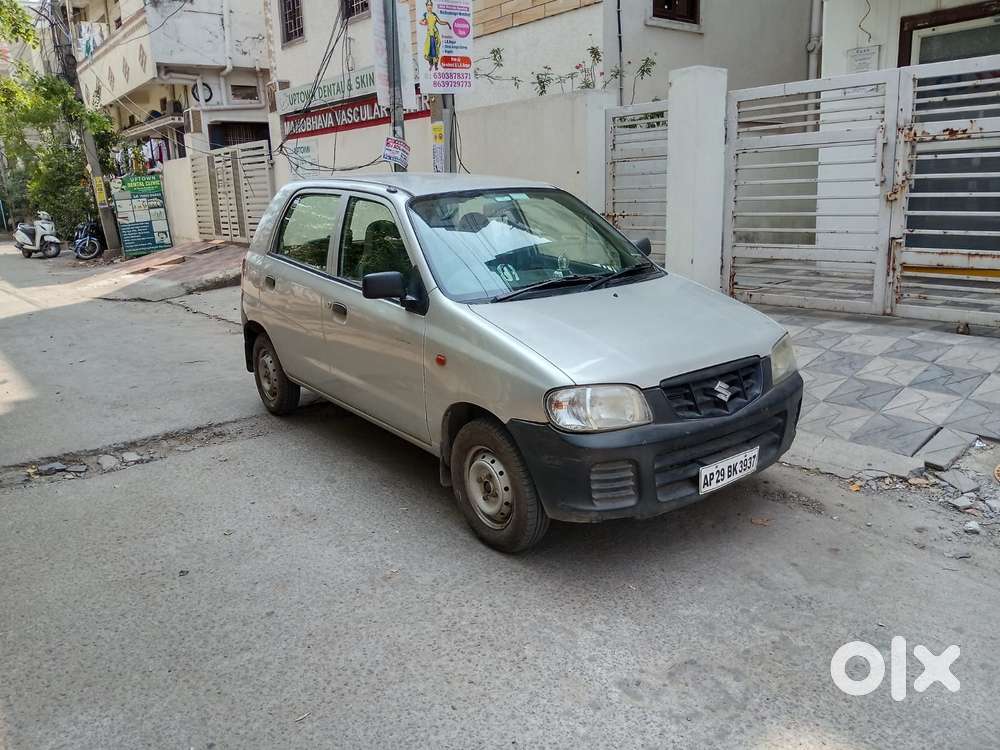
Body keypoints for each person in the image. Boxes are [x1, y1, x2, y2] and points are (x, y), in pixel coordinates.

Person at [420, 1, 450, 72]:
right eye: (428, 5)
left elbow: (440, 22)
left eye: (430, 5)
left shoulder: (434, 14)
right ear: (426, 6)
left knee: (436, 51)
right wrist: (424, 23)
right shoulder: (425, 14)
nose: (429, 6)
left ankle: (436, 66)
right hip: (429, 35)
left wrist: (447, 23)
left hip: (435, 34)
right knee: (428, 52)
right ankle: (431, 65)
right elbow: (420, 21)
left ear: (432, 6)